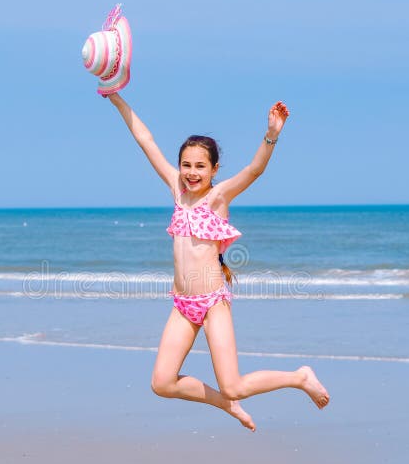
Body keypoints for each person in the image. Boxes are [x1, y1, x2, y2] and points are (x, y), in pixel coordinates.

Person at [106, 93, 330, 431]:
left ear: (213, 169)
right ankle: (226, 405)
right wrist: (116, 98)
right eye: (186, 165)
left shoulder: (218, 197)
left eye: (200, 166)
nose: (191, 173)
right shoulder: (176, 191)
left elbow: (255, 170)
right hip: (182, 304)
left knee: (234, 384)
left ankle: (299, 377)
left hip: (212, 303)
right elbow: (145, 139)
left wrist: (272, 134)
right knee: (162, 383)